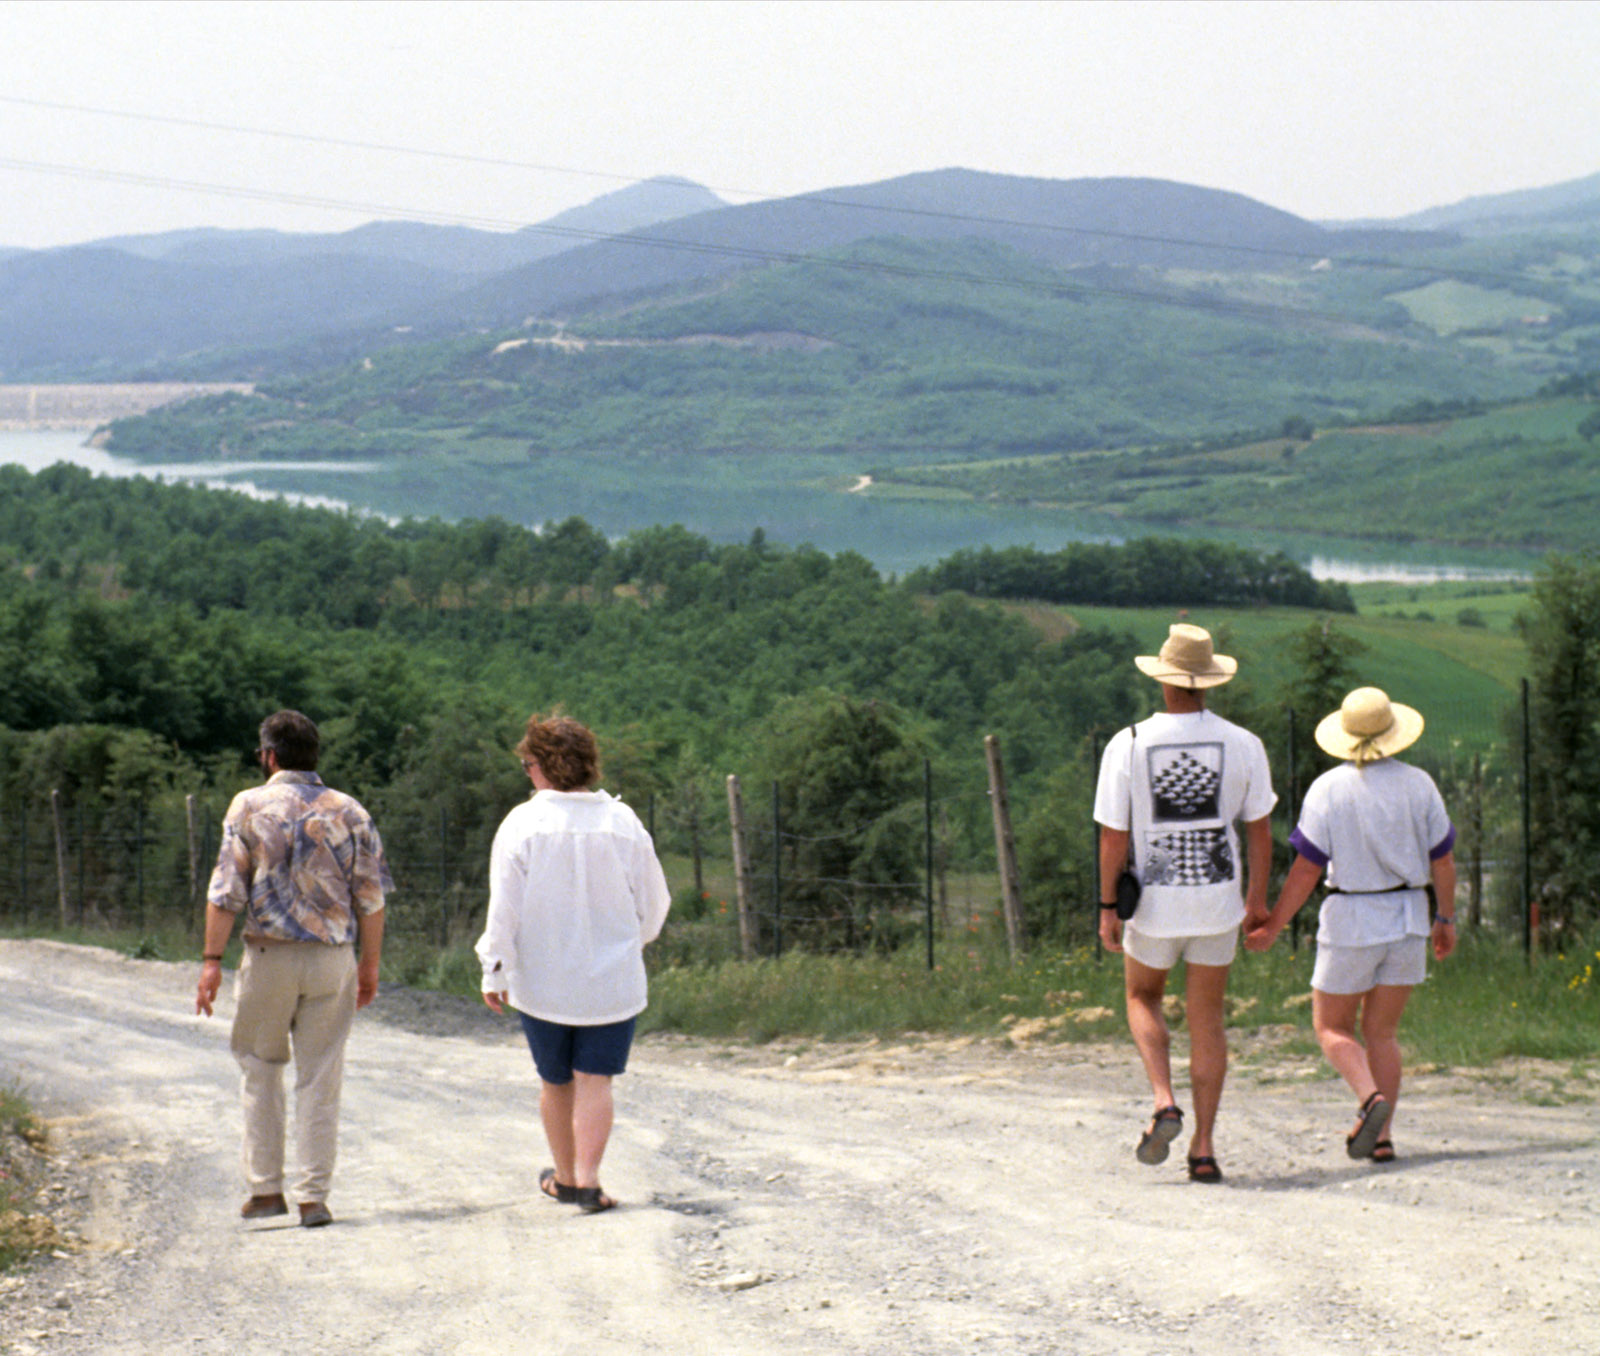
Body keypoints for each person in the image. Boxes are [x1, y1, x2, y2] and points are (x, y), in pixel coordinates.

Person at [195, 709, 391, 1228]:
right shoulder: (350, 811)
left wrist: (212, 961)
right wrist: (369, 965)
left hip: (268, 954)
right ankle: (313, 1197)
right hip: (332, 957)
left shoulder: (250, 805)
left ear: (270, 756)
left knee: (260, 1068)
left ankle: (264, 1190)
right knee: (321, 1074)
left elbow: (225, 892)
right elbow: (371, 902)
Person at [1094, 624, 1276, 1183]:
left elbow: (1113, 839)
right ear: (1208, 682)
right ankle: (1203, 1148)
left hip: (1154, 904)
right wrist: (1257, 902)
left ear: (1164, 680)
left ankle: (1163, 1099)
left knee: (1141, 995)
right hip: (1218, 902)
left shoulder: (1127, 743)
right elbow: (1262, 831)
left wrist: (1106, 905)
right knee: (1209, 1021)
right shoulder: (1244, 744)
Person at [1245, 687, 1456, 1163]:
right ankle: (1382, 1138)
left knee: (1332, 1027)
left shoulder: (1329, 789)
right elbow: (1442, 861)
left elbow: (1306, 869)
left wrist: (1275, 923)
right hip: (1408, 918)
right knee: (1382, 1032)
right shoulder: (1419, 784)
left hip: (1351, 918)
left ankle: (1369, 1098)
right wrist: (1445, 917)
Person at [475, 714, 671, 1214]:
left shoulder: (523, 824)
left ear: (538, 766)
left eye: (526, 764)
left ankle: (563, 1177)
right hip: (611, 981)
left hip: (542, 980)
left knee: (554, 1080)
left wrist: (493, 968)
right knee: (596, 1080)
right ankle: (588, 1180)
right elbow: (655, 904)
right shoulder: (623, 823)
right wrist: (633, 942)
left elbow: (504, 909)